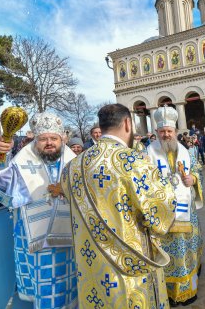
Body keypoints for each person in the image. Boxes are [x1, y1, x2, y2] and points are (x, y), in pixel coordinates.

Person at [61, 104, 176, 308]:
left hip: (90, 263)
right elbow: (162, 208)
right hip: (130, 264)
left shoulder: (72, 167)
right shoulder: (133, 161)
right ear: (127, 123)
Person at [0, 112, 77, 309]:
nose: (49, 143)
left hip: (70, 237)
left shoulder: (74, 161)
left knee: (73, 285)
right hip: (36, 240)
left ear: (62, 139)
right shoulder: (21, 162)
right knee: (46, 290)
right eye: (43, 139)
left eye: (54, 138)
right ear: (35, 140)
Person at [146, 106, 204, 306]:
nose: (166, 134)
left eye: (169, 131)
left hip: (187, 211)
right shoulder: (148, 152)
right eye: (162, 131)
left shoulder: (186, 151)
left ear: (175, 132)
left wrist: (193, 178)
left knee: (186, 249)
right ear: (156, 133)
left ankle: (188, 290)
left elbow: (197, 169)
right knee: (167, 254)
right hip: (163, 213)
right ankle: (167, 293)